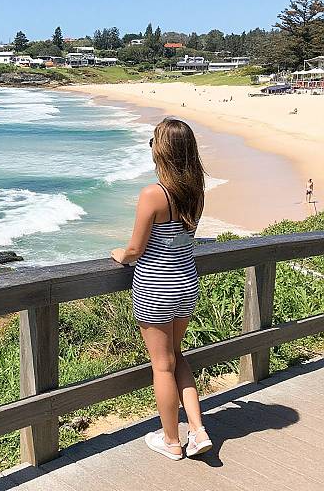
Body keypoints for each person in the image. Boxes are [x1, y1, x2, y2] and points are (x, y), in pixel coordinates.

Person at [111, 118, 212, 460]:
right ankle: (197, 431)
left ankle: (172, 442)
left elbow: (135, 250)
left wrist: (119, 254)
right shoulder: (195, 192)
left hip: (156, 287)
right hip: (186, 284)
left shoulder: (154, 194)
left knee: (162, 365)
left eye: (152, 142)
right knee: (175, 356)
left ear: (162, 150)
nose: (151, 148)